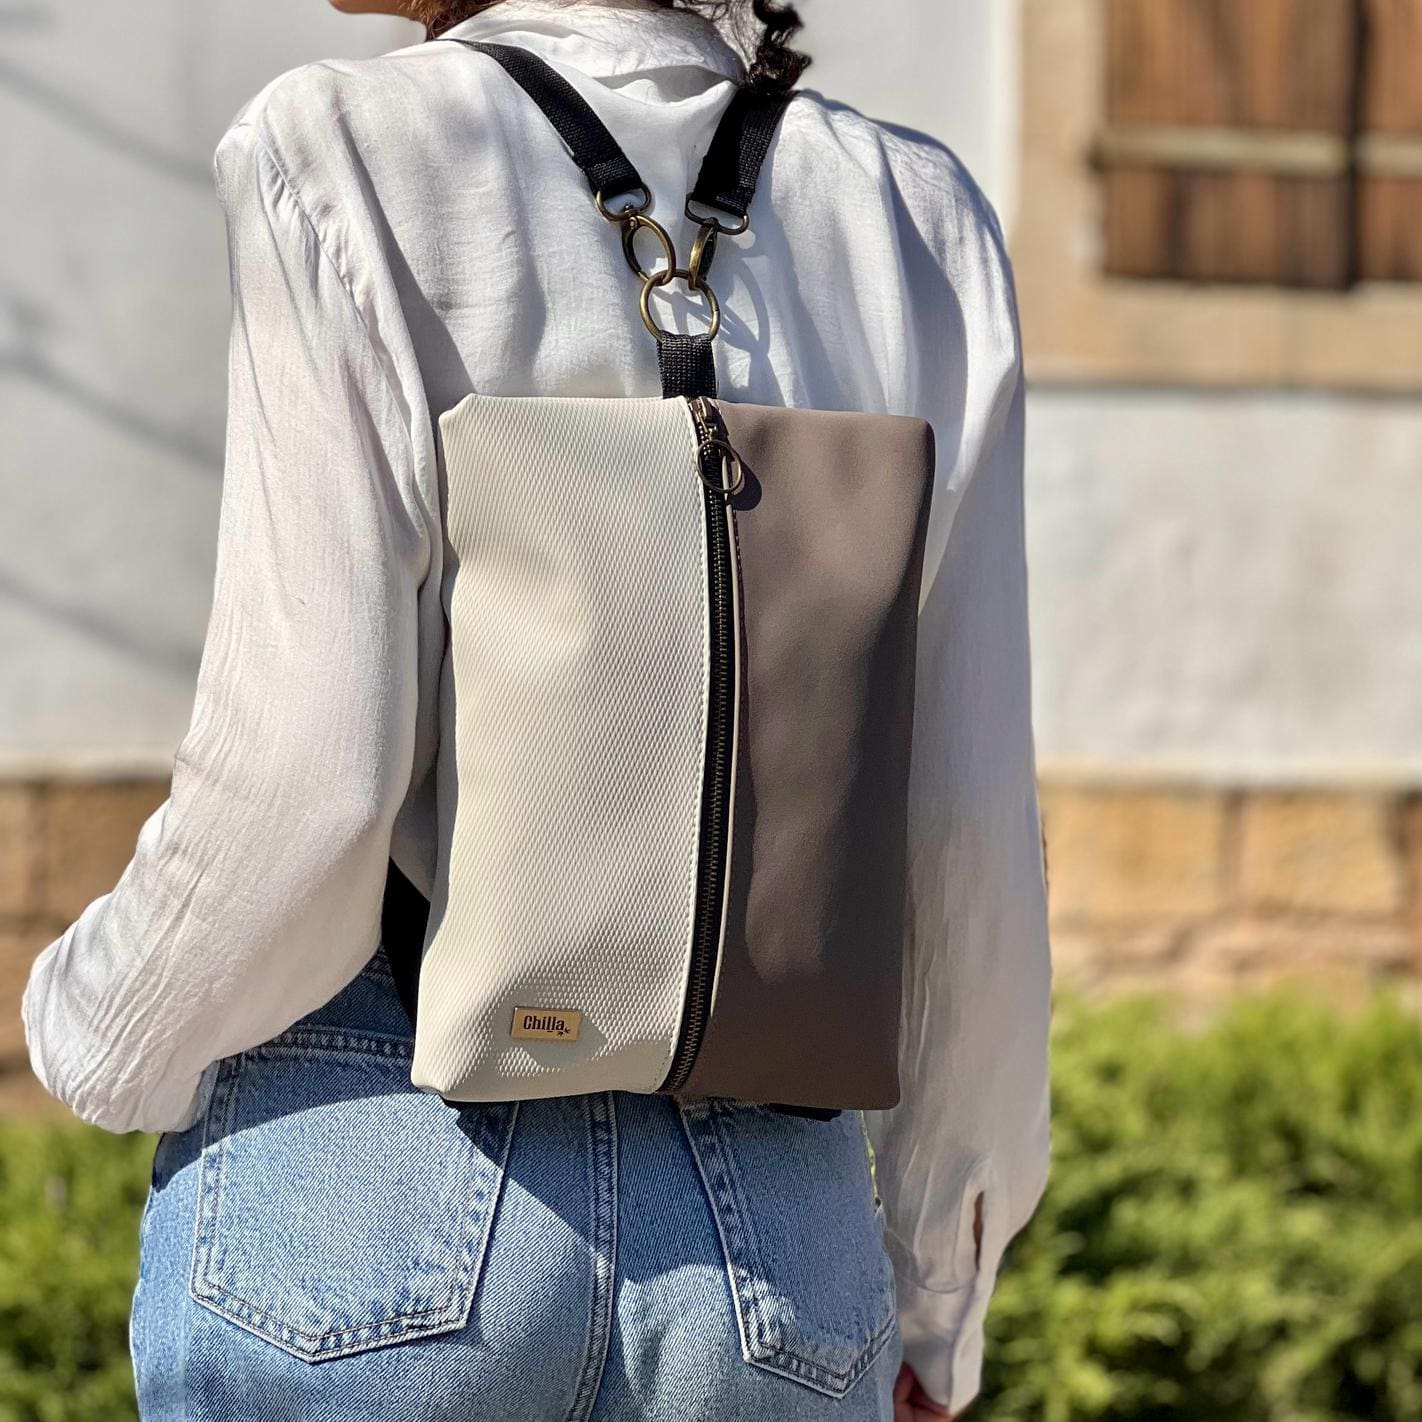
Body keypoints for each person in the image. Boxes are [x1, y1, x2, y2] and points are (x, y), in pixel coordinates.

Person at [20, 2, 1051, 1418]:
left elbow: (310, 780)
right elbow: (965, 826)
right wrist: (939, 1293)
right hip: (776, 1234)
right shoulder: (916, 216)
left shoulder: (344, 144)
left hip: (384, 1166)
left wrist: (96, 1025)